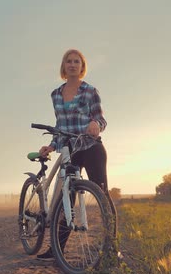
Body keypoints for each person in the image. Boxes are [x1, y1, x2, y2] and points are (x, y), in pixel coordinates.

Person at [36, 48, 117, 260]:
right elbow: (60, 126)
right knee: (67, 200)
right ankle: (56, 249)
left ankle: (111, 249)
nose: (72, 64)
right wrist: (52, 146)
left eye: (77, 62)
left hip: (91, 147)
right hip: (70, 151)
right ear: (63, 66)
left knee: (102, 195)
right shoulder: (55, 94)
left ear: (82, 67)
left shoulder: (90, 91)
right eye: (69, 61)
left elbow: (101, 119)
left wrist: (95, 124)